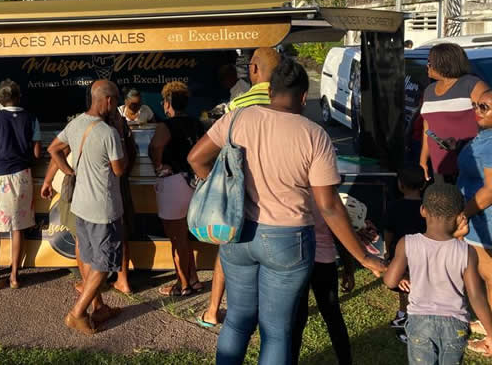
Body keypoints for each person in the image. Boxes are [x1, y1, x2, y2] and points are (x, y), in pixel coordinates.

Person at [188, 59, 386, 364]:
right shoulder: (314, 134)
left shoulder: (238, 119)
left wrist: (226, 195)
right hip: (288, 239)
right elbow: (329, 207)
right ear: (304, 96)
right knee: (276, 331)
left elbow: (196, 158)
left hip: (238, 233)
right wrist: (363, 256)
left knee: (238, 320)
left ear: (270, 91)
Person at [198, 46, 281, 328]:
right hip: (278, 206)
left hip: (241, 199)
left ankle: (213, 311)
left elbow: (198, 157)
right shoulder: (288, 104)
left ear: (254, 70)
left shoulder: (237, 106)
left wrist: (219, 189)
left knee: (229, 254)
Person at [45, 80, 127, 335]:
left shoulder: (76, 123)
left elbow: (53, 148)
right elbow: (119, 169)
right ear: (110, 101)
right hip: (104, 208)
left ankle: (99, 308)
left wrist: (68, 170)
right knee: (103, 264)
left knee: (91, 258)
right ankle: (77, 313)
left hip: (81, 204)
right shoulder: (109, 133)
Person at [384, 184, 492, 363]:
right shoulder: (467, 251)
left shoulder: (407, 243)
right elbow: (476, 296)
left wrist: (402, 276)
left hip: (419, 323)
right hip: (455, 326)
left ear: (423, 210)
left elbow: (390, 281)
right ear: (460, 217)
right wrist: (490, 332)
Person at [0, 80, 42, 290]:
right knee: (18, 227)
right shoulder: (31, 118)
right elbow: (36, 153)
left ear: (1, 99)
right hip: (21, 175)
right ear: (19, 97)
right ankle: (14, 276)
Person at [148, 81, 205, 296]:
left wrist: (158, 165)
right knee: (185, 235)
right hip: (193, 183)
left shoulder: (166, 125)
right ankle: (193, 279)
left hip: (173, 183)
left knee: (176, 237)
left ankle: (182, 284)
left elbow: (155, 146)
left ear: (168, 103)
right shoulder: (197, 124)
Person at [289, 205, 355, 365]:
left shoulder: (294, 188)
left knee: (297, 318)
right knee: (332, 315)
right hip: (323, 261)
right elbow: (341, 235)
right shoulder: (326, 196)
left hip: (296, 260)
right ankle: (345, 361)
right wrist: (348, 269)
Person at [420, 43, 489, 184]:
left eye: (430, 62)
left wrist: (463, 143)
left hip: (470, 165)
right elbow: (428, 128)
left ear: (443, 63)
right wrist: (423, 159)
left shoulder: (472, 84)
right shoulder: (429, 90)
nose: (427, 66)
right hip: (439, 166)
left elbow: (489, 118)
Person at [457, 89, 492, 348]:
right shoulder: (484, 136)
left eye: (485, 107)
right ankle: (486, 320)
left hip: (484, 219)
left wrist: (464, 214)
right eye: (476, 105)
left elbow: (490, 190)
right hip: (478, 218)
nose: (478, 110)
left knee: (488, 276)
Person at [384, 166, 427, 333]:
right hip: (424, 254)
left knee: (404, 287)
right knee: (416, 286)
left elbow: (388, 231)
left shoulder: (394, 206)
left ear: (400, 185)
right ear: (423, 185)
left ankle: (408, 316)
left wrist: (388, 252)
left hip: (401, 255)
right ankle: (404, 314)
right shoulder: (427, 207)